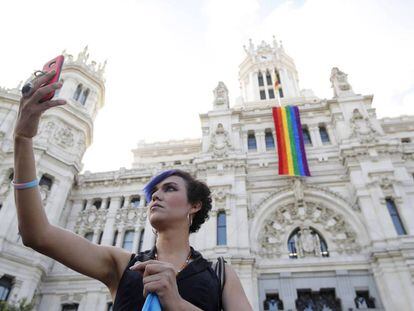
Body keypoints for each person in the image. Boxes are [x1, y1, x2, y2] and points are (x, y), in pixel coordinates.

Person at [13, 70, 253, 310]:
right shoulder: (122, 266)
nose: (156, 195)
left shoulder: (220, 274)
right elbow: (37, 234)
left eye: (169, 189)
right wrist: (23, 138)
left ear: (195, 204)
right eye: (153, 192)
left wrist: (177, 304)